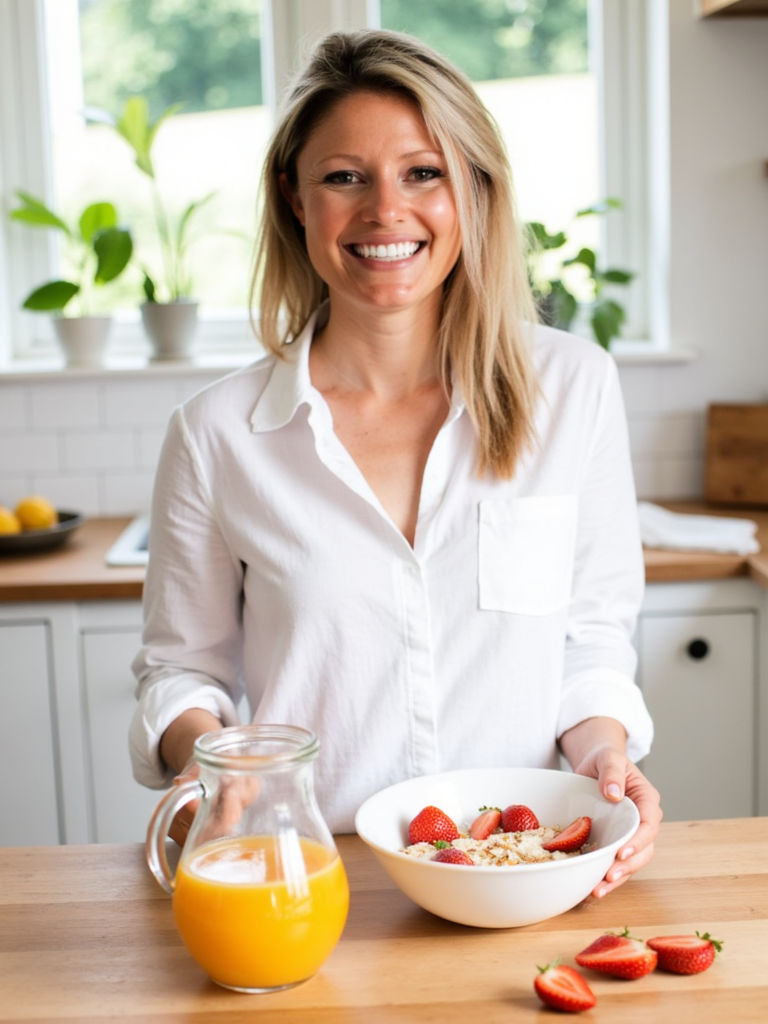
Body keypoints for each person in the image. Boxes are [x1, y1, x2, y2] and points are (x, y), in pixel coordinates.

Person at [130, 28, 661, 899]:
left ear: (473, 192)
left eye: (424, 172)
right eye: (344, 176)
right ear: (296, 199)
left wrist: (607, 756)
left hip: (522, 877)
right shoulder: (215, 435)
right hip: (304, 880)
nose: (386, 211)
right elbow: (181, 669)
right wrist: (220, 772)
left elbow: (591, 639)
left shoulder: (575, 389)